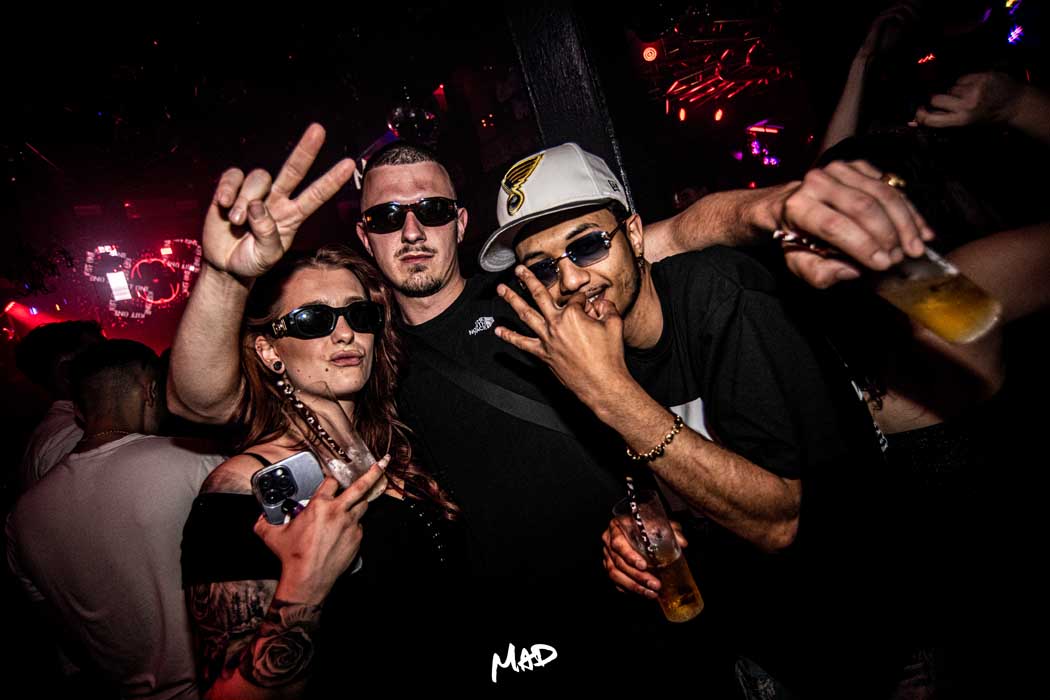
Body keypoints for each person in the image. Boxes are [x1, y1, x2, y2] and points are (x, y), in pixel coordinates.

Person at [167, 123, 934, 688]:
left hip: (661, 617)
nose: (413, 230)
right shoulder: (362, 351)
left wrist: (779, 205)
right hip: (527, 656)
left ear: (460, 222)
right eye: (387, 217)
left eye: (432, 209)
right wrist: (228, 277)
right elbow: (201, 401)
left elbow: (677, 232)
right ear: (365, 236)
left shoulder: (540, 284)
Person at [485, 143, 905, 695]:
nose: (569, 280)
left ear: (635, 236)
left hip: (857, 619)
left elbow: (779, 522)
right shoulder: (582, 351)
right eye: (542, 268)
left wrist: (612, 396)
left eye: (587, 246)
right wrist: (631, 528)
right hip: (753, 640)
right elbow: (653, 487)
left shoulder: (722, 298)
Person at [179, 245, 464, 696]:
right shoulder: (240, 488)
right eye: (314, 320)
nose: (346, 333)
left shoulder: (395, 445)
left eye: (360, 315)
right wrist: (305, 583)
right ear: (269, 351)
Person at [6, 339, 223, 699]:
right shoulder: (196, 462)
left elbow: (52, 618)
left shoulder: (22, 517)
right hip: (216, 688)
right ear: (151, 391)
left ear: (78, 410)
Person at [14, 320, 104, 492]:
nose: (116, 366)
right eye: (100, 358)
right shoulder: (77, 435)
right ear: (67, 373)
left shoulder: (56, 429)